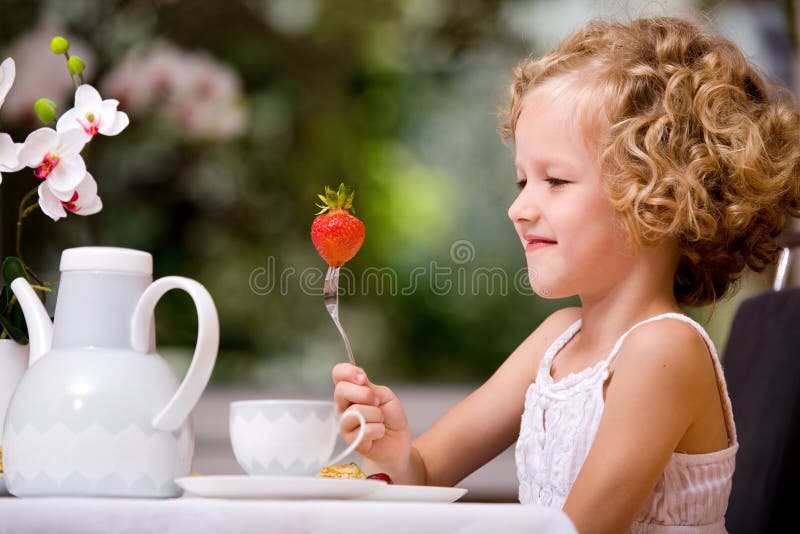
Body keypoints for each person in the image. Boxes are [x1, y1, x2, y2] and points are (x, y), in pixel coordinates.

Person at [332, 16, 800, 534]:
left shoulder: (664, 350)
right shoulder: (556, 341)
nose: (519, 208)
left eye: (555, 180)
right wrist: (396, 453)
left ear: (659, 195)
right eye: (522, 180)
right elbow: (423, 473)